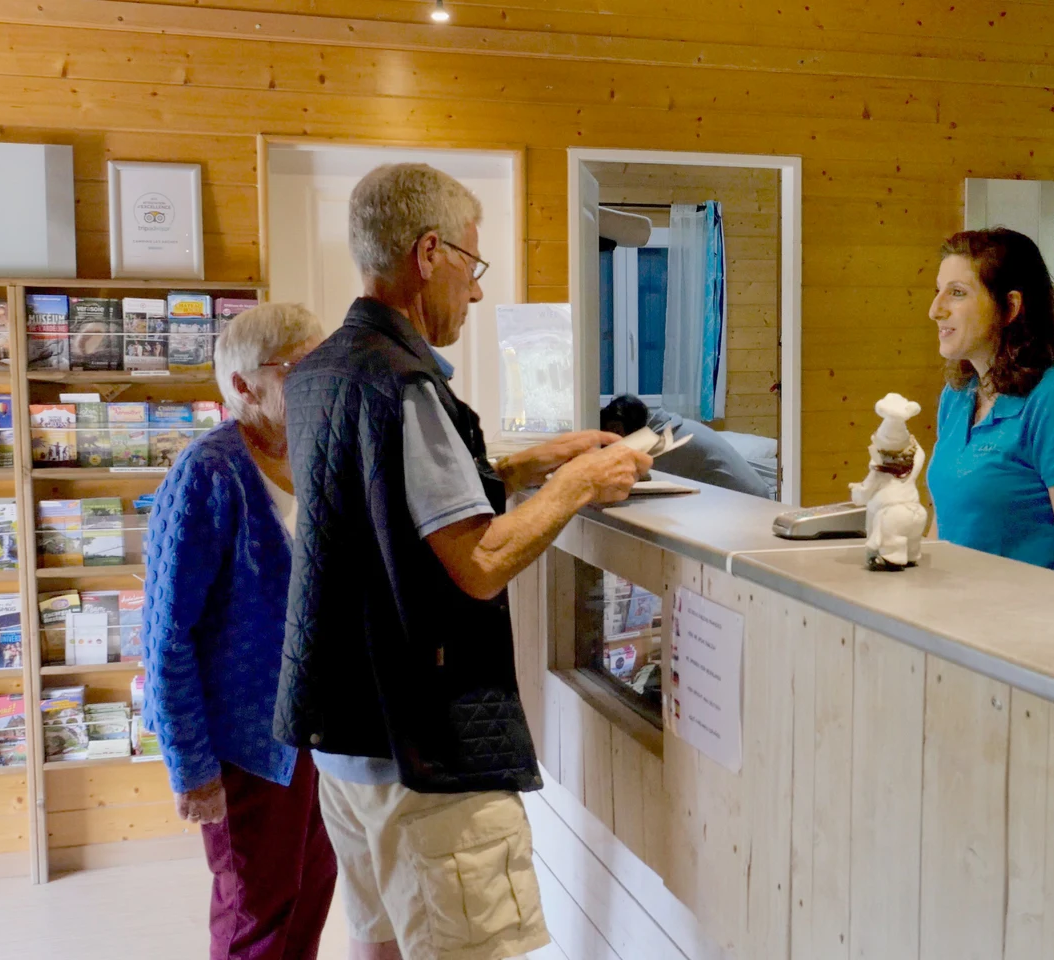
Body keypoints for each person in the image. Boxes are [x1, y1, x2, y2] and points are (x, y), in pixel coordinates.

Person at [277, 162, 651, 960]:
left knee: (376, 943)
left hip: (346, 743)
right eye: (472, 267)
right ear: (428, 253)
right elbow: (477, 561)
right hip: (426, 752)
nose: (477, 293)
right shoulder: (404, 384)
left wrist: (528, 464)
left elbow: (380, 502)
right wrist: (580, 483)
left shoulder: (320, 373)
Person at [142, 302, 334, 960]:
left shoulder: (314, 455)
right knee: (257, 907)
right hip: (246, 746)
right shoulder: (207, 474)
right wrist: (191, 768)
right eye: (300, 371)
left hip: (315, 732)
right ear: (242, 386)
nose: (320, 385)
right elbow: (167, 635)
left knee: (311, 889)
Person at [924, 228, 1054, 581]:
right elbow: (945, 528)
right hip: (955, 619)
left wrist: (1017, 631)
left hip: (1018, 628)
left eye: (957, 293)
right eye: (938, 292)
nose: (936, 310)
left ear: (1010, 307)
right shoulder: (958, 394)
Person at [599, 393, 774, 498]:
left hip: (748, 506)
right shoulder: (669, 425)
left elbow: (630, 480)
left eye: (615, 432)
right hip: (749, 499)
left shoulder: (664, 442)